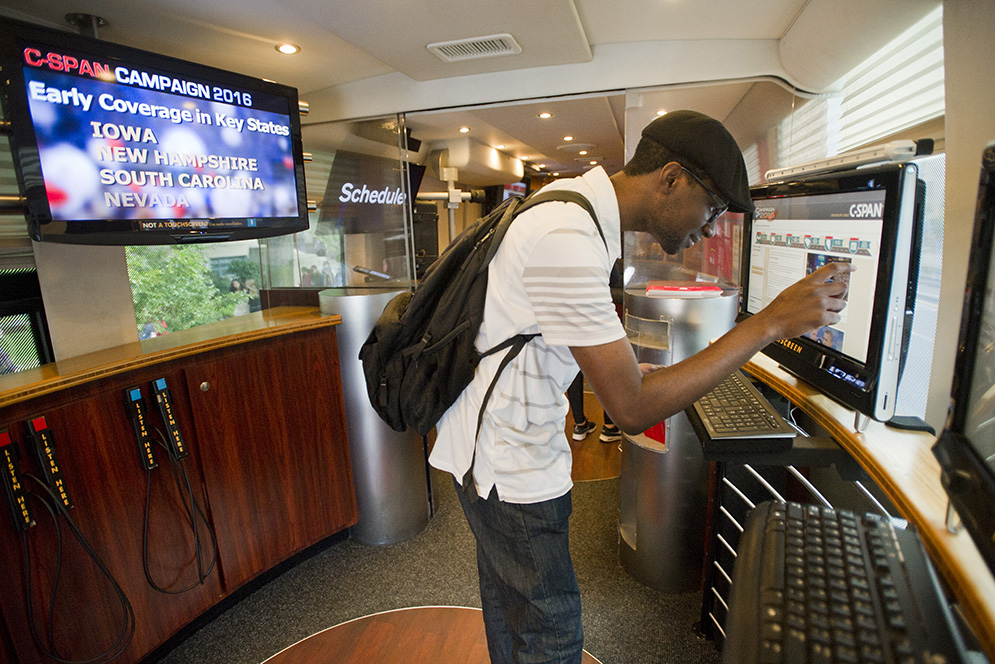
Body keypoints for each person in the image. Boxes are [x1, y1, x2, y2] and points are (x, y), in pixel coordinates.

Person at [429, 110, 851, 664]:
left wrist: (629, 369)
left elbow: (546, 335)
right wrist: (768, 323)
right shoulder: (567, 236)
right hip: (509, 463)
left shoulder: (575, 210)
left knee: (514, 612)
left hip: (491, 446)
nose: (712, 227)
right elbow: (630, 410)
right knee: (550, 631)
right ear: (671, 177)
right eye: (713, 208)